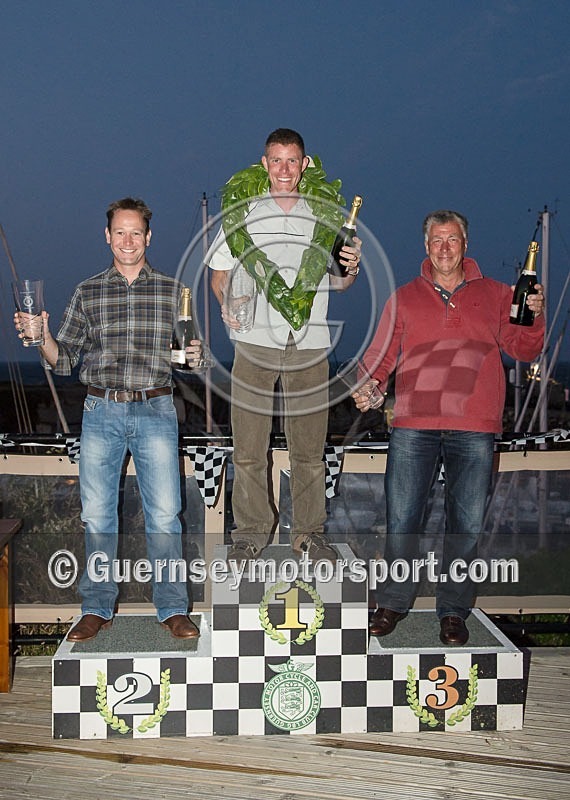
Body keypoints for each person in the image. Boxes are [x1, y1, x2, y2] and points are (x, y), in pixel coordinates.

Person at [353, 209, 545, 645]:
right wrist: (367, 386)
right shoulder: (404, 297)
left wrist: (532, 316)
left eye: (452, 240)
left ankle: (454, 612)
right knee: (401, 519)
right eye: (436, 240)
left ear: (465, 244)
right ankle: (392, 604)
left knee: (466, 524)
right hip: (413, 424)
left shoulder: (498, 294)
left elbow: (523, 349)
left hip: (474, 427)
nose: (444, 248)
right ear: (426, 246)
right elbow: (380, 355)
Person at [14, 197, 200, 642]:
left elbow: (191, 357)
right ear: (107, 236)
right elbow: (64, 361)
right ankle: (96, 607)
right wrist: (41, 338)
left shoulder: (175, 291)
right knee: (97, 516)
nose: (128, 240)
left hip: (157, 408)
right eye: (120, 232)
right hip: (101, 410)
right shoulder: (87, 291)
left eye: (136, 232)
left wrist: (194, 356)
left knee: (166, 516)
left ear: (148, 237)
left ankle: (172, 607)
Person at [207, 128, 361, 564]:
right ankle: (250, 536)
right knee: (249, 449)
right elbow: (219, 277)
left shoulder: (327, 216)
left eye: (293, 160)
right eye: (277, 160)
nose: (285, 170)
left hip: (310, 343)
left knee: (310, 451)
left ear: (305, 164)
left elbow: (340, 282)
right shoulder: (242, 214)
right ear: (264, 164)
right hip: (254, 341)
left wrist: (351, 267)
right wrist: (227, 303)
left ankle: (309, 536)